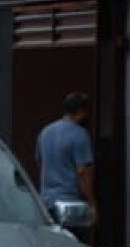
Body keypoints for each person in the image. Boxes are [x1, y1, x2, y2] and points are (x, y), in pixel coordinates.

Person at [36, 91, 98, 223]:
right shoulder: (80, 134)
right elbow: (83, 172)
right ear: (81, 111)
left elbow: (40, 162)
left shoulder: (46, 132)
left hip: (46, 202)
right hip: (70, 204)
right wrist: (92, 203)